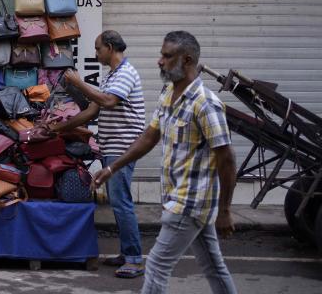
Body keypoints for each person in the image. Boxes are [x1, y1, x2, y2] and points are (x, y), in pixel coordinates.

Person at [93, 31, 237, 294]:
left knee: (157, 266)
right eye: (161, 54)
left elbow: (226, 158)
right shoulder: (168, 92)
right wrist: (113, 167)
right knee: (214, 268)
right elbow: (149, 137)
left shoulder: (205, 103)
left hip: (189, 202)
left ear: (188, 60)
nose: (160, 61)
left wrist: (226, 210)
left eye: (167, 56)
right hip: (179, 198)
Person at [48, 30, 146, 278]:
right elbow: (91, 112)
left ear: (110, 47)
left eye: (98, 49)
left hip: (122, 147)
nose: (96, 53)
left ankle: (134, 259)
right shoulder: (111, 75)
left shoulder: (125, 73)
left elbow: (108, 101)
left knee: (121, 202)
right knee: (118, 201)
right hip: (112, 146)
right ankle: (127, 252)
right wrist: (58, 128)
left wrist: (79, 82)